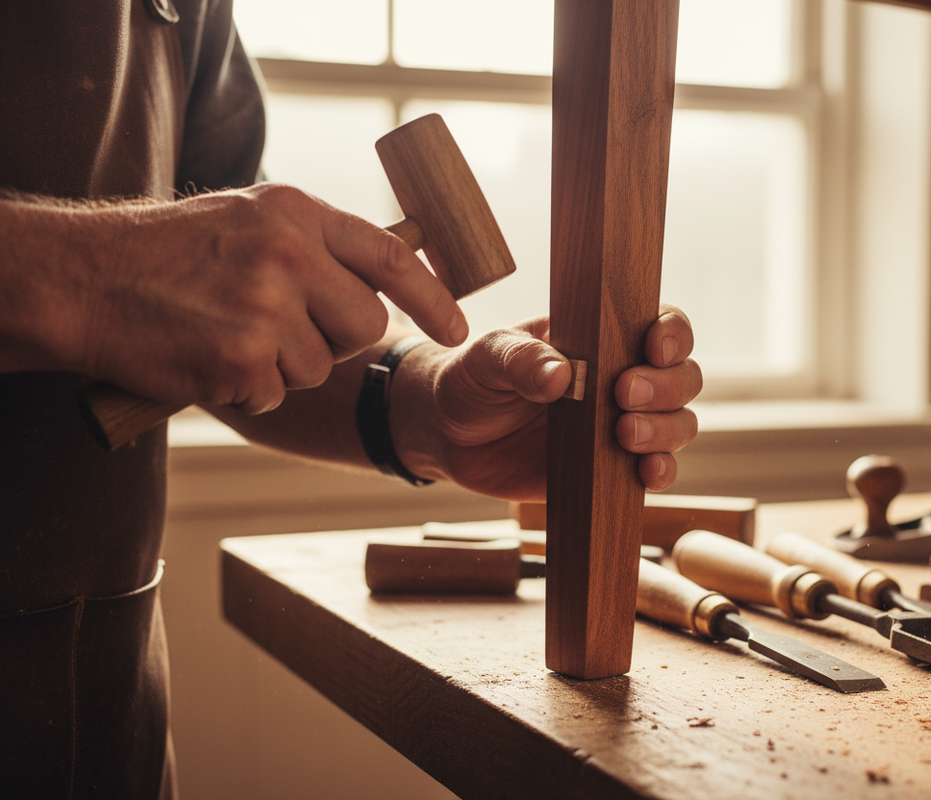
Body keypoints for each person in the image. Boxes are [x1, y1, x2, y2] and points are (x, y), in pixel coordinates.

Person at [0, 2, 701, 798]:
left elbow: (222, 318)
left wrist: (427, 406)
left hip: (106, 707)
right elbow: (157, 270)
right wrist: (90, 279)